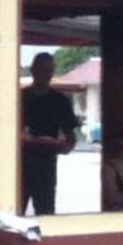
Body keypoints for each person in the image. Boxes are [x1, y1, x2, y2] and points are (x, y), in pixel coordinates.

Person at [21, 52, 80, 215]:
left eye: (49, 70)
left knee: (46, 216)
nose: (46, 74)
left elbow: (70, 139)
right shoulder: (18, 98)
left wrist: (63, 146)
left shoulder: (60, 101)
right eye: (42, 69)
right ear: (32, 70)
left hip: (45, 168)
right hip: (17, 167)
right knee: (12, 215)